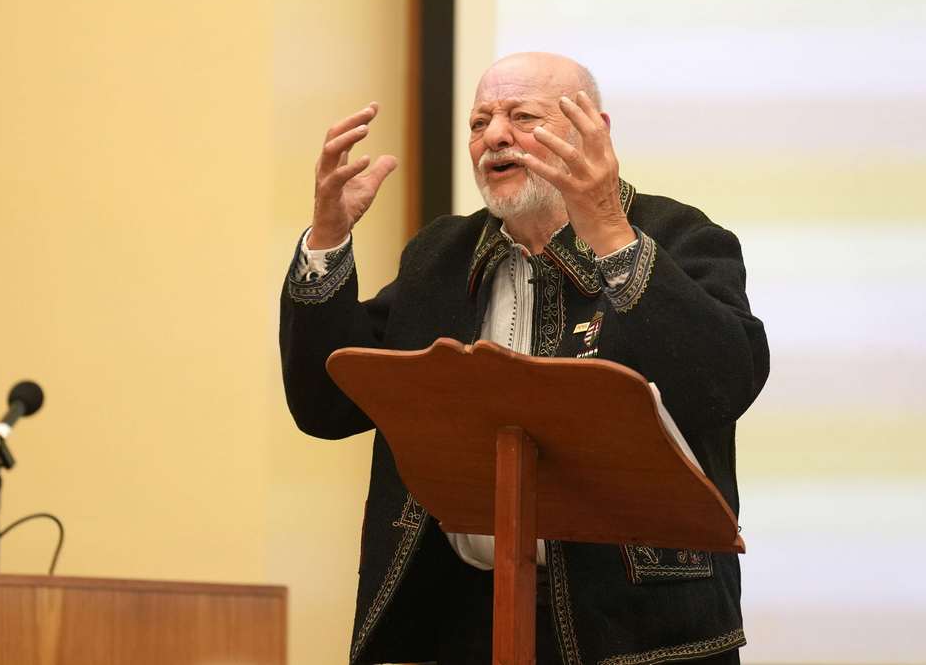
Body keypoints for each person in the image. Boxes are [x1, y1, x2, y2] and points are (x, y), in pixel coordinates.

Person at [279, 52, 769, 665]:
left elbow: (724, 383)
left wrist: (610, 231)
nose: (495, 136)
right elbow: (326, 405)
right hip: (462, 623)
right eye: (479, 122)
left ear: (592, 130)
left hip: (635, 630)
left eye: (523, 116)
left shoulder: (679, 235)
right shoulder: (441, 254)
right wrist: (327, 238)